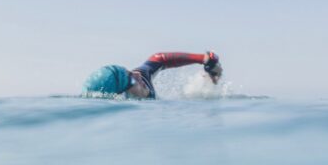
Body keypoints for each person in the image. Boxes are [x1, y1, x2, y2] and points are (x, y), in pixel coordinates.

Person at [83, 51, 223, 99]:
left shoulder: (141, 77)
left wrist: (204, 59)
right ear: (120, 94)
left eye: (129, 71)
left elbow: (159, 58)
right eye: (130, 80)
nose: (136, 76)